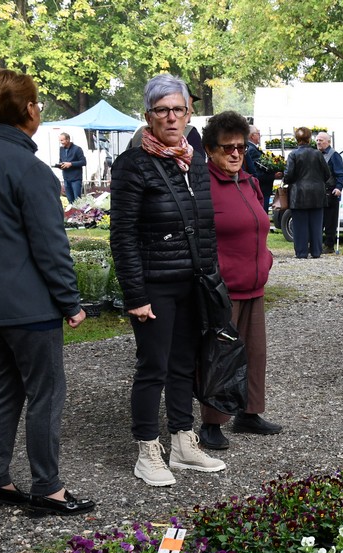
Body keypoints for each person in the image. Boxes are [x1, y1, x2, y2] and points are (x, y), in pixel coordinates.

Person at [0, 68, 94, 515]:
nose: (39, 109)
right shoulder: (30, 168)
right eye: (36, 103)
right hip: (27, 304)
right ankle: (47, 488)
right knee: (45, 391)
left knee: (2, 390)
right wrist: (70, 302)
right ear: (28, 110)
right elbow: (50, 245)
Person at [110, 73, 227, 487]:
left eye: (179, 109)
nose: (172, 117)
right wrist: (135, 294)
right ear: (149, 115)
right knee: (153, 367)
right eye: (163, 110)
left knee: (183, 366)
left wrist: (211, 279)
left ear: (189, 112)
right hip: (154, 284)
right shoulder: (132, 164)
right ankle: (147, 449)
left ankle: (182, 441)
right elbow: (122, 234)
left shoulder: (194, 159)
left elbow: (205, 224)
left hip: (192, 281)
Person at [196, 112, 282, 450]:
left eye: (241, 147)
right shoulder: (202, 185)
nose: (234, 154)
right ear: (210, 149)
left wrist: (266, 260)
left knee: (255, 353)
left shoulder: (248, 182)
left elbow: (260, 226)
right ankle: (212, 422)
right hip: (221, 291)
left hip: (254, 286)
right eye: (226, 148)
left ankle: (249, 412)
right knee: (220, 357)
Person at [282, 126, 333, 259]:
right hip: (317, 194)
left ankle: (301, 252)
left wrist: (286, 178)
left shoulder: (293, 155)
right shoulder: (317, 154)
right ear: (310, 138)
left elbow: (288, 176)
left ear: (296, 139)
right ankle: (316, 251)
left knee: (300, 225)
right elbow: (327, 174)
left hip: (298, 195)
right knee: (316, 226)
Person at [316, 131, 343, 254]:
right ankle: (316, 244)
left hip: (331, 191)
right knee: (319, 220)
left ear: (328, 142)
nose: (318, 142)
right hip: (318, 191)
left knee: (330, 220)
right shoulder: (315, 154)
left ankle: (329, 245)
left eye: (321, 140)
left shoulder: (334, 156)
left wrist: (339, 188)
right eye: (317, 140)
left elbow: (341, 174)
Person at [246, 126, 278, 210]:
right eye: (258, 134)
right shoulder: (252, 150)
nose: (259, 136)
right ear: (252, 136)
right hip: (261, 189)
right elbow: (256, 172)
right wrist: (273, 176)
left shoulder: (251, 148)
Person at [58, 132, 87, 203]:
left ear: (68, 140)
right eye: (60, 140)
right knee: (69, 199)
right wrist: (60, 165)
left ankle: (79, 213)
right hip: (66, 178)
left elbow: (83, 162)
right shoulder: (61, 149)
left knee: (77, 200)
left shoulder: (77, 149)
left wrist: (71, 164)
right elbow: (61, 160)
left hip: (76, 178)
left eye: (62, 140)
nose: (61, 142)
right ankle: (72, 213)